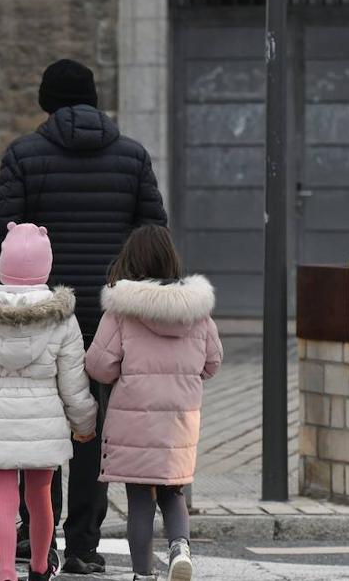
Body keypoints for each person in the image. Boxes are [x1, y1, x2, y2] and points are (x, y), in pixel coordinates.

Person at [0, 59, 167, 575]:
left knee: (38, 425)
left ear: (47, 101)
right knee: (94, 431)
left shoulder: (24, 155)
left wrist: (12, 298)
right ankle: (84, 545)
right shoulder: (132, 157)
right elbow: (154, 233)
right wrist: (130, 293)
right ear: (93, 99)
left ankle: (33, 537)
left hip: (43, 312)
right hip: (111, 315)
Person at [0, 222, 98, 581]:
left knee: (4, 498)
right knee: (40, 495)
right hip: (44, 418)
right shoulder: (62, 316)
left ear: (2, 265)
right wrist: (84, 424)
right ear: (45, 267)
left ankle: (5, 573)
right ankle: (39, 566)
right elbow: (74, 382)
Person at [85, 225, 222, 581]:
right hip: (180, 421)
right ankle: (180, 547)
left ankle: (143, 574)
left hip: (134, 423)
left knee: (140, 502)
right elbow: (213, 362)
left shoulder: (121, 310)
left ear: (131, 261)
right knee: (173, 493)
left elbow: (98, 367)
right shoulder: (197, 311)